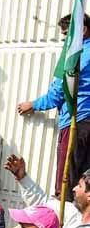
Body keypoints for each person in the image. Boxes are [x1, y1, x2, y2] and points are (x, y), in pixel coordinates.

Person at [16, 13, 90, 200]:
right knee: (86, 179)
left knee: (68, 180)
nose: (64, 39)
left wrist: (33, 104)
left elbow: (60, 90)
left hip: (76, 121)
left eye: (67, 34)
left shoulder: (75, 56)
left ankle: (63, 220)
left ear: (83, 30)